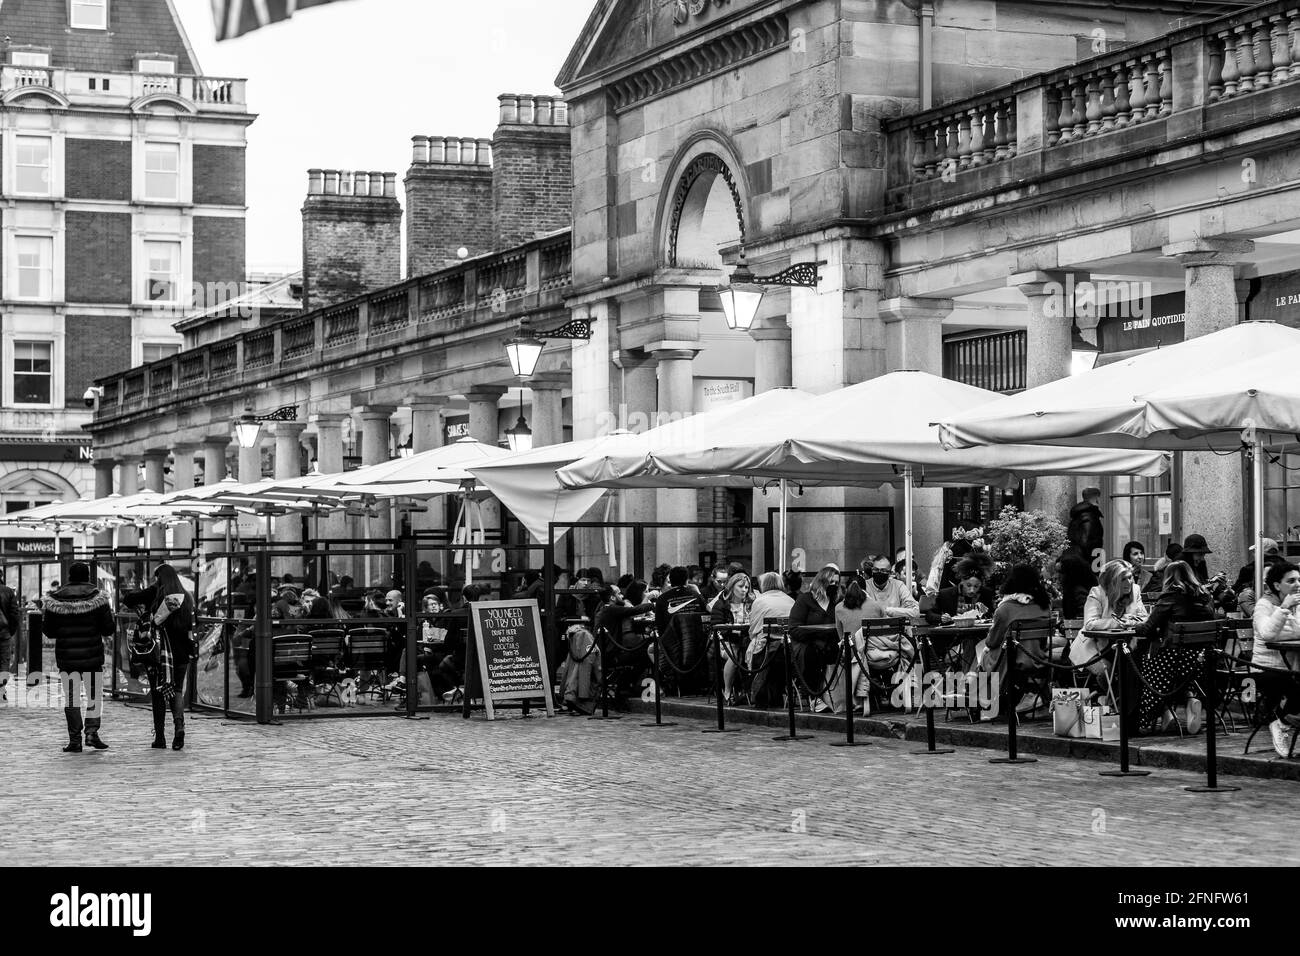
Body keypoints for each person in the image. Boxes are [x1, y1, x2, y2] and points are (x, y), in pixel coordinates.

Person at [1133, 561, 1216, 734]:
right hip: (1200, 661)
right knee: (1176, 673)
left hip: (1173, 661)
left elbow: (1148, 628)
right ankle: (1190, 698)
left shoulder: (1170, 596)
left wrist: (1133, 625)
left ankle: (1164, 714)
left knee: (1144, 663)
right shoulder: (1205, 596)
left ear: (1168, 577)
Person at [44, 562, 116, 753]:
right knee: (94, 696)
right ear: (87, 576)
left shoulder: (55, 599)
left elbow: (49, 631)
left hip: (67, 658)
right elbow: (108, 628)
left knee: (72, 699)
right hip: (92, 657)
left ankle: (75, 740)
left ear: (69, 576)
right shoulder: (98, 598)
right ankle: (92, 733)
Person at [982, 563, 1053, 715]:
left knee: (982, 652)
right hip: (1039, 658)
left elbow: (992, 642)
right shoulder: (1045, 606)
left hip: (1011, 661)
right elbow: (1043, 641)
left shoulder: (1005, 608)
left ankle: (982, 697)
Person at [144, 564, 196, 750]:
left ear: (161, 579)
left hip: (163, 652)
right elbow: (191, 627)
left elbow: (155, 621)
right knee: (177, 690)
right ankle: (179, 726)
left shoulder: (162, 598)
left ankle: (160, 737)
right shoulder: (187, 598)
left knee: (160, 692)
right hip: (182, 651)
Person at [1251, 560, 1300, 757]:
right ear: (1277, 585)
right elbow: (1268, 633)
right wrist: (1284, 608)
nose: (1297, 584)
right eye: (1291, 581)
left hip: (1292, 668)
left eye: (1299, 579)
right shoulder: (1264, 605)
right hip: (1266, 669)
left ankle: (1286, 721)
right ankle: (1282, 722)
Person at [788, 564, 841, 712]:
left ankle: (837, 695)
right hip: (805, 643)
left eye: (837, 583)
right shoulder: (805, 600)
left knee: (838, 651)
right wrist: (816, 633)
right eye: (831, 582)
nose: (834, 586)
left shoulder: (835, 602)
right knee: (812, 653)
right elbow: (794, 628)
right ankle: (813, 697)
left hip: (828, 642)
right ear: (822, 582)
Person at [834, 580, 889, 713]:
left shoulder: (839, 607)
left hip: (852, 655)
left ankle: (857, 698)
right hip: (877, 653)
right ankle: (881, 691)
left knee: (844, 655)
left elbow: (841, 635)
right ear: (866, 589)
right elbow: (886, 629)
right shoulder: (876, 605)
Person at [653, 566, 707, 689]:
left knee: (651, 649)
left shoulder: (662, 599)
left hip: (672, 645)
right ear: (687, 580)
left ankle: (664, 684)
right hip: (697, 643)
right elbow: (706, 616)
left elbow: (659, 626)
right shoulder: (696, 596)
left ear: (670, 581)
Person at [747, 572, 794, 708]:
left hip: (766, 648)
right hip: (787, 648)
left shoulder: (760, 601)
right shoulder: (790, 600)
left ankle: (750, 691)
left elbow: (754, 629)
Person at [708, 572, 753, 705]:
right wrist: (731, 628)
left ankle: (751, 691)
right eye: (741, 587)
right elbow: (717, 627)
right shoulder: (721, 604)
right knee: (735, 656)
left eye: (746, 587)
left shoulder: (751, 603)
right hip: (725, 641)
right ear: (732, 586)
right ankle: (727, 691)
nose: (744, 590)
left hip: (746, 640)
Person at [1083, 559, 1148, 631]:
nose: (1128, 583)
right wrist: (1119, 622)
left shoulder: (1135, 590)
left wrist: (1131, 622)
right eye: (1123, 579)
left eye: (1129, 578)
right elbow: (1090, 624)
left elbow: (1144, 619)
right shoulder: (1097, 593)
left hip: (1125, 640)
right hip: (1096, 641)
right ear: (1112, 582)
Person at [1179, 533, 1237, 613]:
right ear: (1190, 553)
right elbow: (1187, 590)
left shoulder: (1201, 563)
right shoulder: (1180, 565)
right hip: (1187, 603)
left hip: (1201, 598)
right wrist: (1210, 583)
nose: (1202, 558)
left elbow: (1204, 582)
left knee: (1228, 596)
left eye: (1203, 555)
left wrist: (1215, 583)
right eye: (1199, 555)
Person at [925, 559, 994, 625]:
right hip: (953, 634)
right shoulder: (946, 594)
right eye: (968, 585)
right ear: (962, 581)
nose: (972, 590)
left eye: (976, 586)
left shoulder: (986, 594)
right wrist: (941, 618)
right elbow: (930, 614)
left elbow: (992, 614)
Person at [860, 555, 921, 620]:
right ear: (872, 571)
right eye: (876, 570)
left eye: (883, 570)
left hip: (895, 628)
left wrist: (887, 610)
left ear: (889, 573)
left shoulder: (898, 585)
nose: (879, 573)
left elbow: (915, 612)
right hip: (871, 628)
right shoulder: (865, 585)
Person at [1235, 538, 1284, 616]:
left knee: (1244, 595)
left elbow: (1237, 588)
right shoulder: (1288, 566)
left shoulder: (1249, 569)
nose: (1253, 554)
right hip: (1283, 600)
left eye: (1254, 551)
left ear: (1259, 552)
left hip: (1263, 604)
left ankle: (1259, 616)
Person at [1055, 549, 1097, 619]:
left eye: (1060, 572)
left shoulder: (1079, 593)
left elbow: (1082, 619)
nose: (1057, 576)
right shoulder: (1075, 590)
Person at [1067, 487, 1105, 564]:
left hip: (1077, 561)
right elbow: (1088, 544)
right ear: (1097, 499)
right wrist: (1095, 568)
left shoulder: (1078, 516)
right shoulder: (1091, 517)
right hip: (1087, 564)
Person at [0, 570, 17, 700]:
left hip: (5, 631)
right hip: (4, 632)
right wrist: (11, 631)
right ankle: (2, 687)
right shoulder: (9, 591)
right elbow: (13, 615)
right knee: (4, 660)